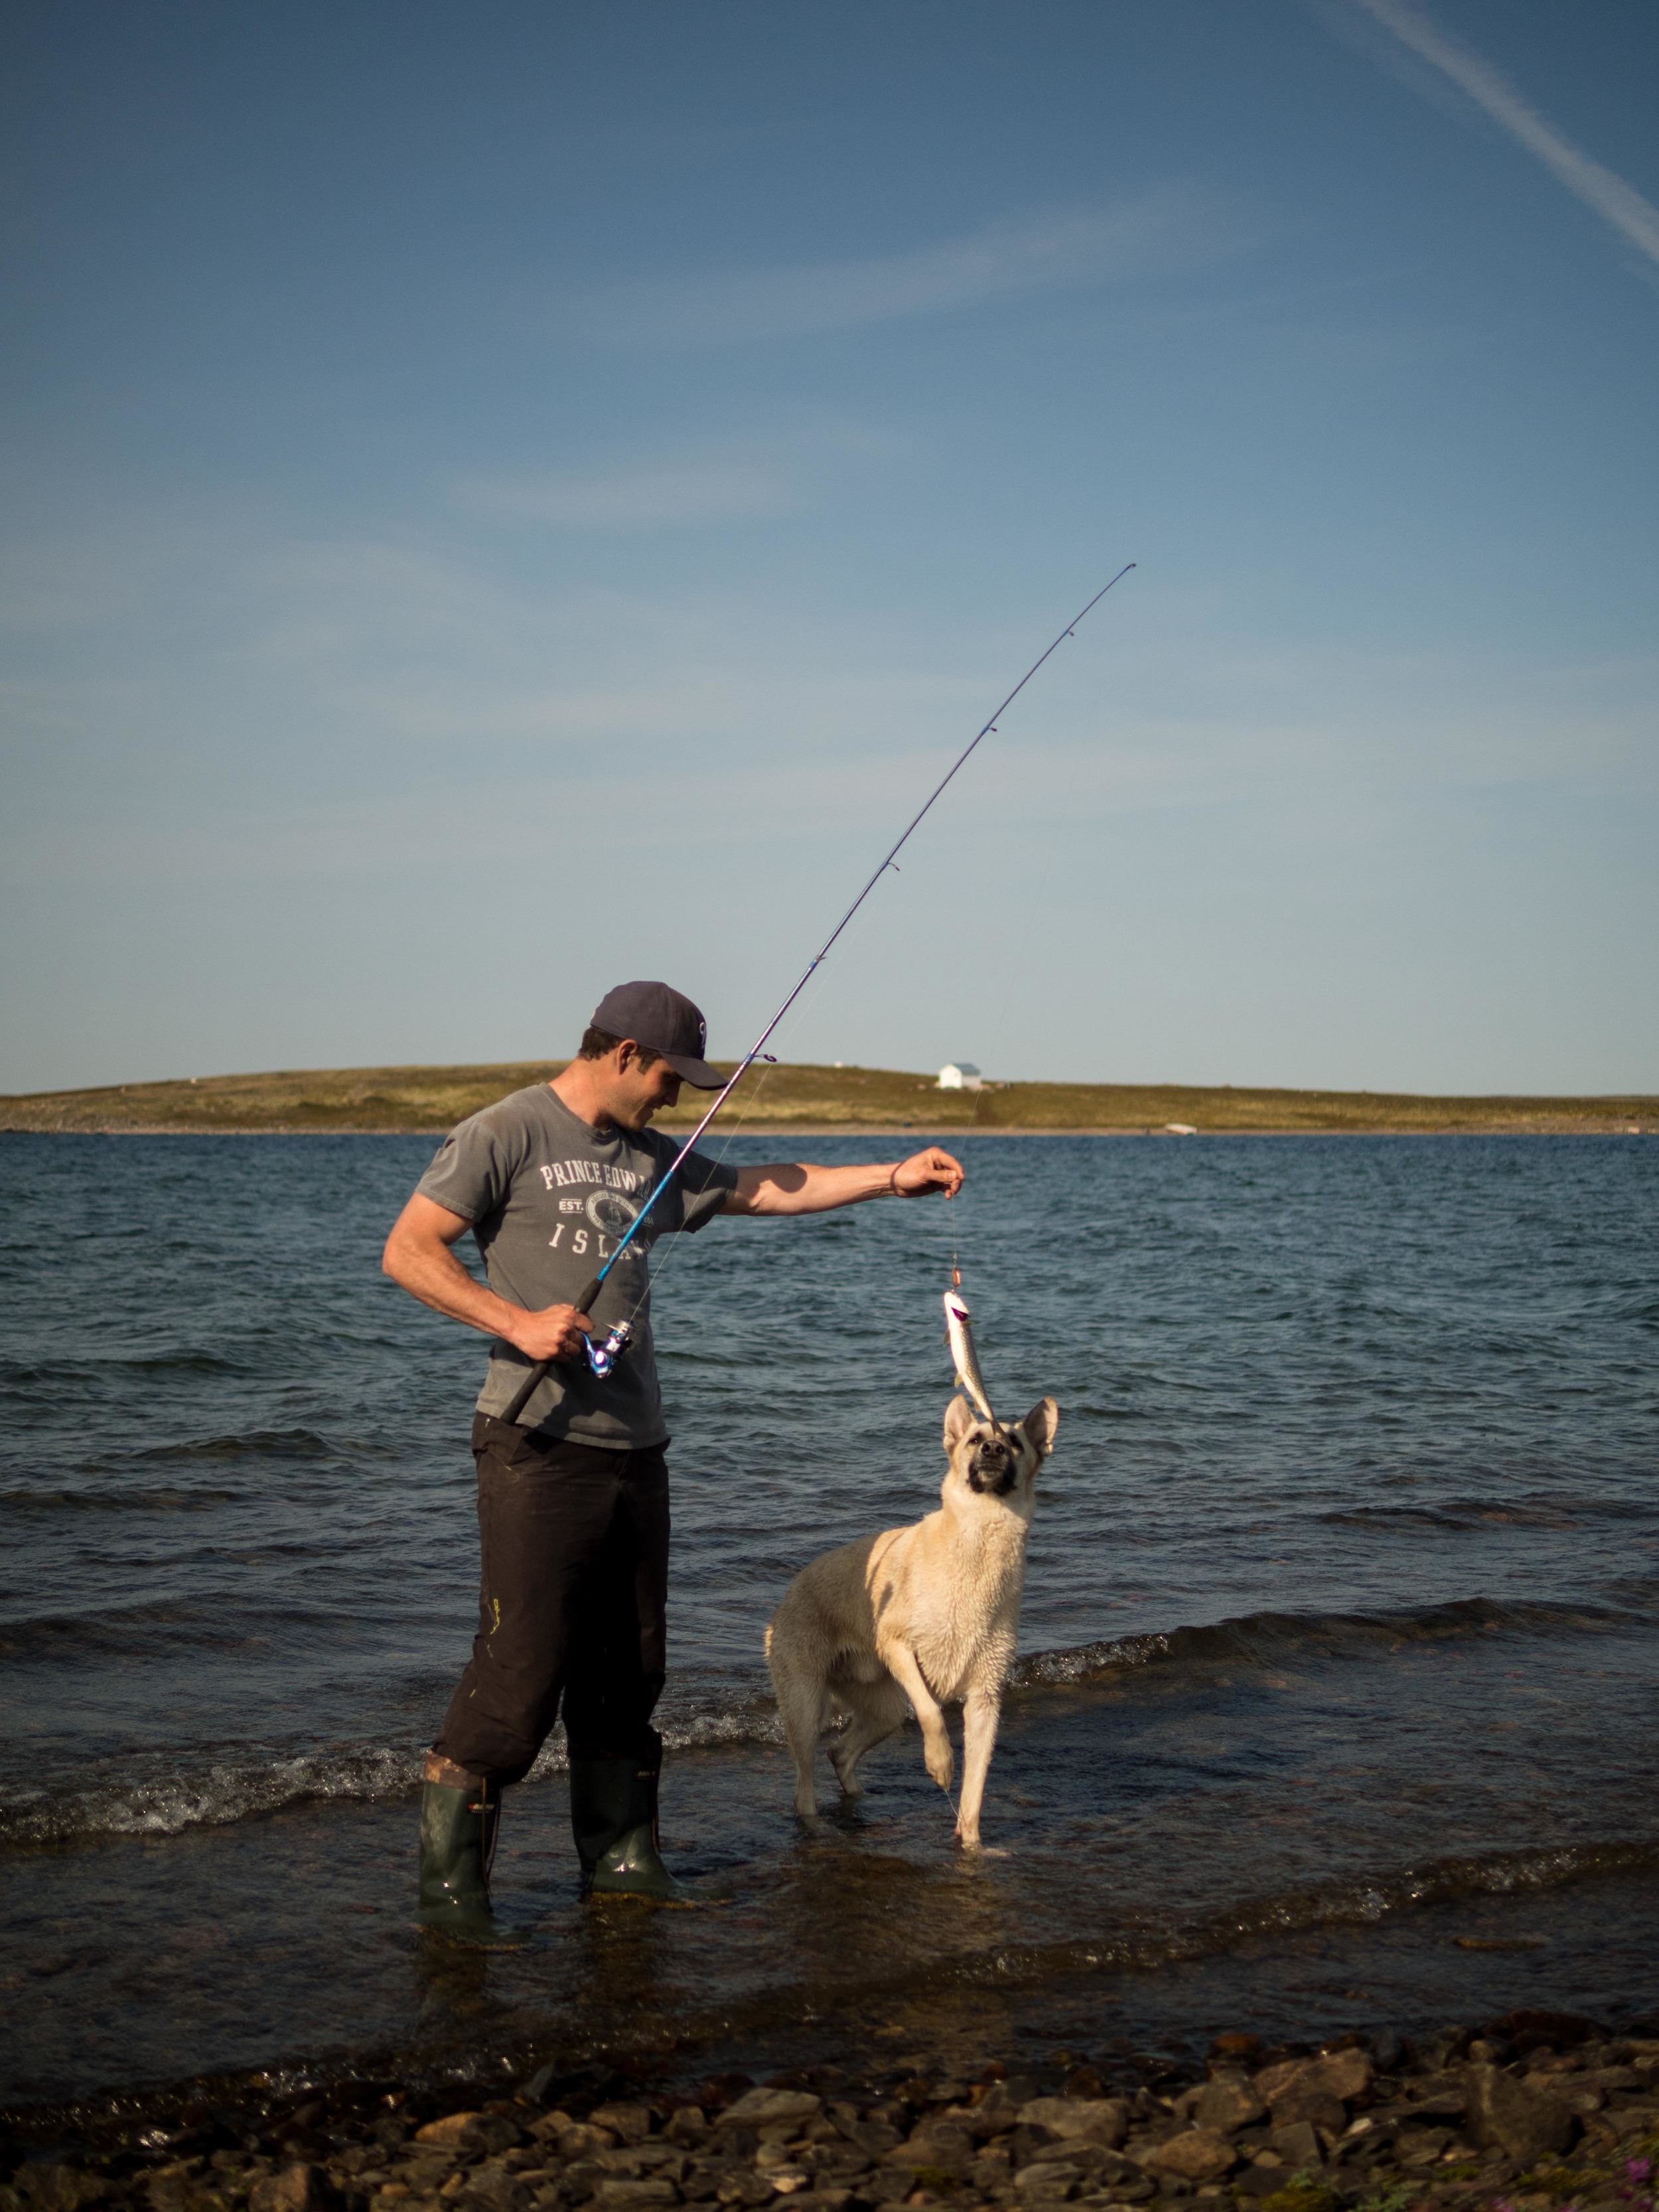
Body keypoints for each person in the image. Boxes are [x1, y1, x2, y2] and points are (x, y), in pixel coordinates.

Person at [382, 979, 965, 1941]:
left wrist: (891, 1175)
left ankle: (620, 1862)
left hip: (636, 1454)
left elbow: (768, 1185)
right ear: (619, 1052)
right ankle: (451, 1899)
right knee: (519, 1677)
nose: (676, 1098)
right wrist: (517, 1321)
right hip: (535, 1447)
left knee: (630, 1670)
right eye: (667, 1077)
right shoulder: (505, 1132)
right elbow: (409, 1250)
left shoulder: (658, 1159)